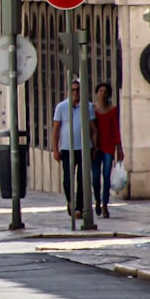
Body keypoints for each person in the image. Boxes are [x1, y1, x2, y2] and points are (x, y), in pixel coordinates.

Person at [51, 79, 97, 219]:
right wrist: (55, 149)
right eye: (73, 90)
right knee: (67, 179)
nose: (76, 92)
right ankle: (71, 201)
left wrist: (95, 147)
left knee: (83, 179)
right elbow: (56, 130)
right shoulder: (61, 107)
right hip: (67, 149)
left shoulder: (87, 107)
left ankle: (79, 208)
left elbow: (93, 129)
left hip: (84, 148)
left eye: (78, 90)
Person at [91, 82, 123, 218]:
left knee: (106, 175)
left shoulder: (113, 110)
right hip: (95, 147)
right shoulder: (91, 110)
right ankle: (97, 200)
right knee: (95, 177)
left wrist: (119, 147)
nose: (102, 93)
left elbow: (116, 129)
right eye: (100, 91)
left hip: (109, 146)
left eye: (105, 91)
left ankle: (105, 204)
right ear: (96, 93)